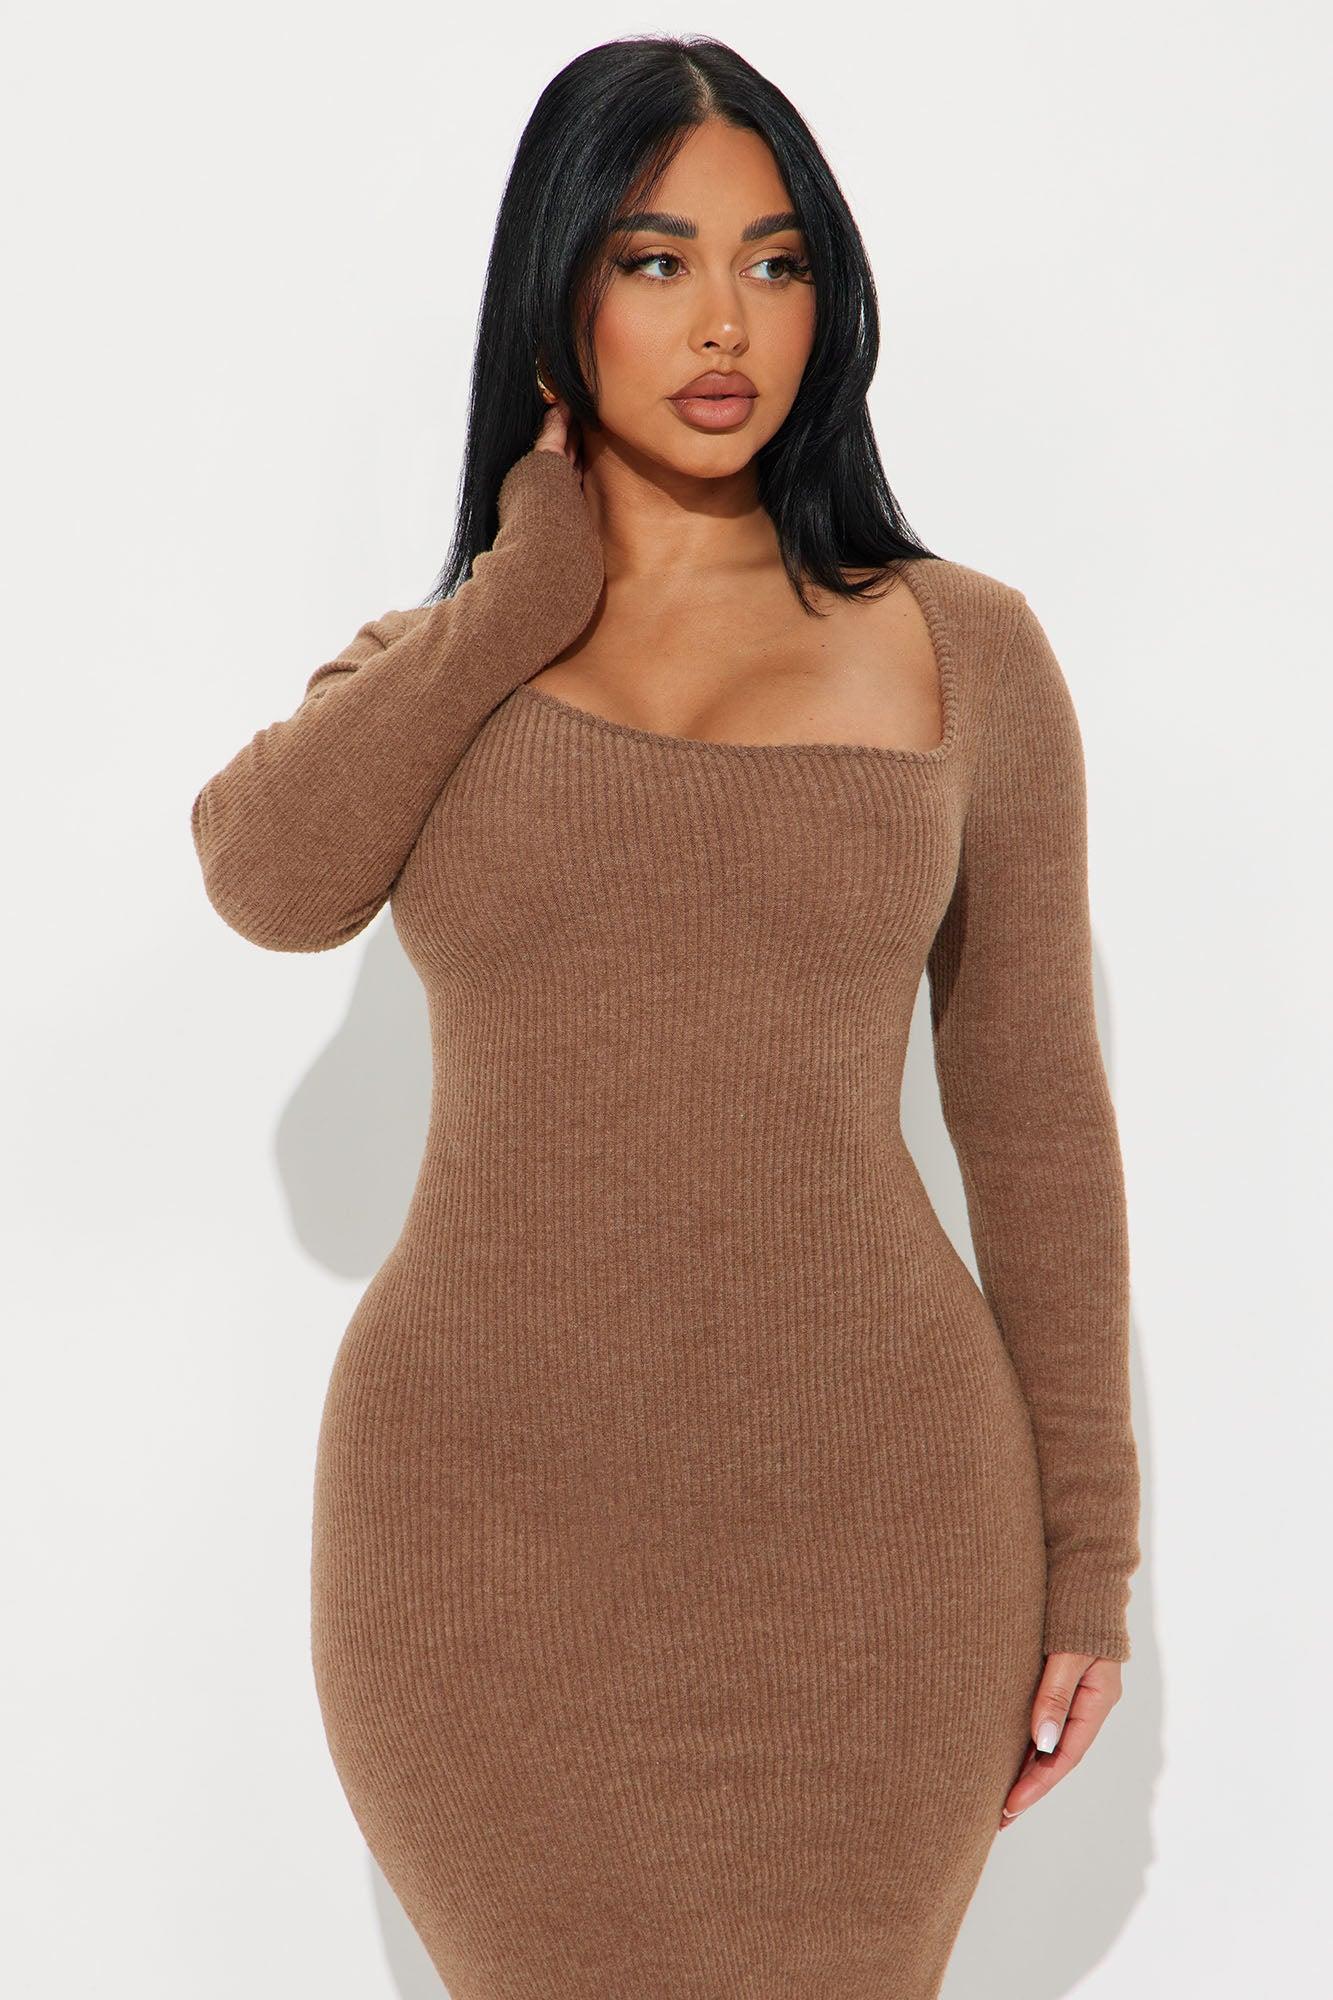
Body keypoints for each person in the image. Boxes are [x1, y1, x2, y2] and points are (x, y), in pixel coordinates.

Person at [189, 33, 1140, 2000]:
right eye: (654, 259)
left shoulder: (962, 649)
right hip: (483, 1542)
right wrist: (518, 590)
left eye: (774, 262)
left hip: (878, 1536)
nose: (725, 321)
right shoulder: (451, 661)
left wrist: (1089, 1556)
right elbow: (266, 879)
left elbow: (1036, 1117)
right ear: (558, 292)